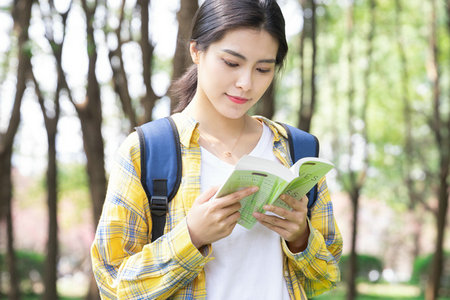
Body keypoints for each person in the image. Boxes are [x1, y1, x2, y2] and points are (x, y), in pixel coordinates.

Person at [91, 0, 343, 299]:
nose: (246, 83)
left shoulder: (296, 150)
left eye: (263, 69)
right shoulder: (147, 150)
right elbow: (113, 286)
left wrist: (301, 238)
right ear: (196, 51)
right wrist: (192, 236)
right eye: (232, 63)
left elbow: (325, 279)